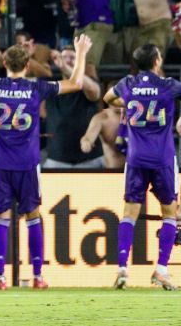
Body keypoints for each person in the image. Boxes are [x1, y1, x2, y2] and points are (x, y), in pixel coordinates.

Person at [0, 30, 91, 289]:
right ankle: (38, 276)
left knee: (1, 219)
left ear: (4, 63)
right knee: (33, 217)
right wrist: (82, 53)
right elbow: (76, 83)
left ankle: (0, 277)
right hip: (28, 164)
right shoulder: (36, 87)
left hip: (0, 164)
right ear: (28, 65)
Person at [103, 43, 181, 290]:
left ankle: (122, 269)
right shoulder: (168, 85)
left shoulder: (128, 84)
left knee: (129, 213)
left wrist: (129, 102)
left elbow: (107, 98)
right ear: (157, 61)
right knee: (169, 213)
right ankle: (161, 270)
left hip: (136, 159)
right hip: (162, 159)